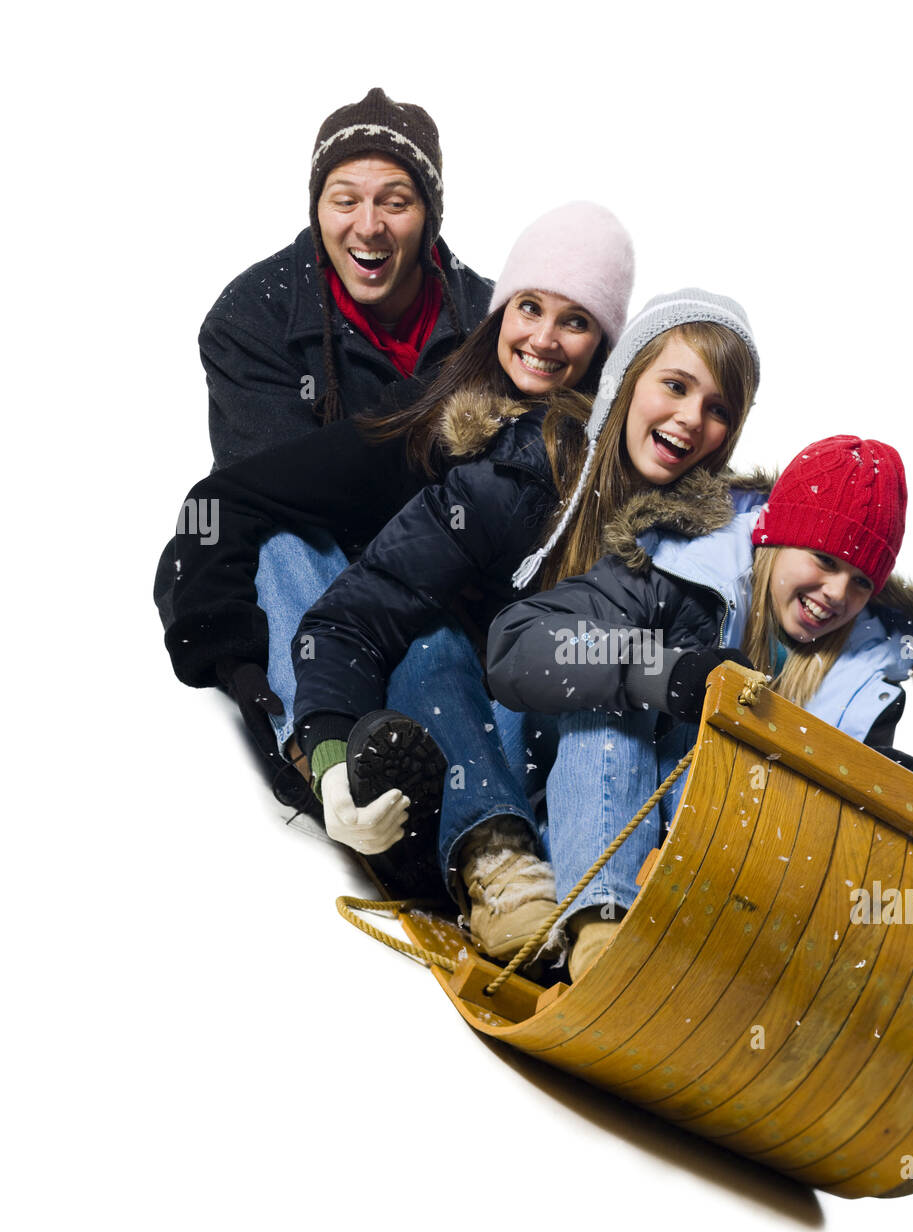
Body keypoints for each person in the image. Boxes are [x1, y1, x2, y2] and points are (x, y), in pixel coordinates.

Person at [289, 290, 761, 961]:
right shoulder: (514, 475)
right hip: (466, 742)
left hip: (591, 795)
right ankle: (499, 865)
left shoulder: (694, 545)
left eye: (720, 410)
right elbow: (352, 619)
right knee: (430, 639)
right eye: (676, 387)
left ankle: (630, 914)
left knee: (623, 692)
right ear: (627, 380)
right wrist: (330, 767)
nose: (692, 420)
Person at [157, 203, 634, 822]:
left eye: (576, 321)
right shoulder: (428, 420)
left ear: (603, 346)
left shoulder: (616, 456)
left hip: (527, 719)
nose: (544, 339)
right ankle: (322, 756)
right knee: (290, 544)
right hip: (390, 689)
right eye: (530, 307)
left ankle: (476, 829)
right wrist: (239, 667)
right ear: (501, 312)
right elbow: (229, 499)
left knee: (450, 648)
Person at [487, 434, 913, 979]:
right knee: (615, 702)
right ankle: (600, 936)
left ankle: (695, 960)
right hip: (579, 808)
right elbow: (517, 642)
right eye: (824, 560)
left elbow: (820, 848)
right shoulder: (676, 573)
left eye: (860, 582)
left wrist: (880, 786)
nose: (835, 593)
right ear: (776, 538)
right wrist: (663, 672)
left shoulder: (865, 681)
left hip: (696, 869)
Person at [202, 87, 494, 469]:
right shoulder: (250, 318)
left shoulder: (497, 320)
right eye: (345, 201)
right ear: (317, 210)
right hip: (301, 522)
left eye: (395, 203)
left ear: (430, 218)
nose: (369, 227)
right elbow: (275, 488)